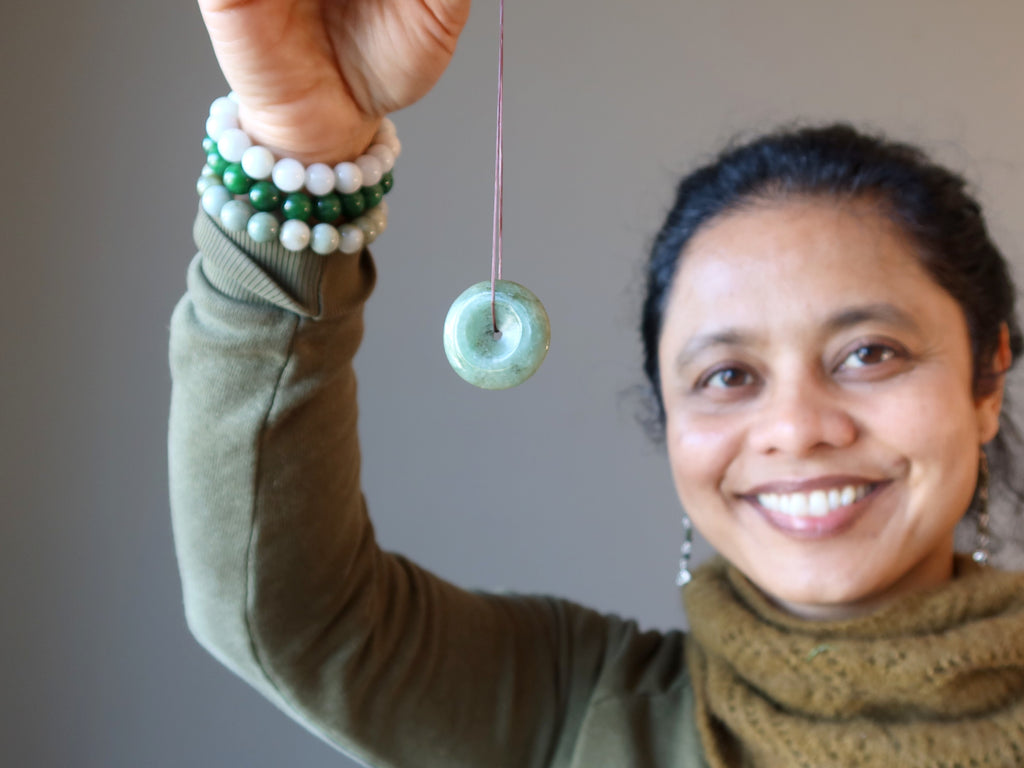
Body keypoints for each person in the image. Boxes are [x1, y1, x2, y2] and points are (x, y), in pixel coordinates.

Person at [170, 1, 1024, 765]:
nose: (797, 428)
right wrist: (300, 155)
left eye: (869, 354)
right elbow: (291, 614)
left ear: (987, 382)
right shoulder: (572, 709)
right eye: (728, 375)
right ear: (669, 416)